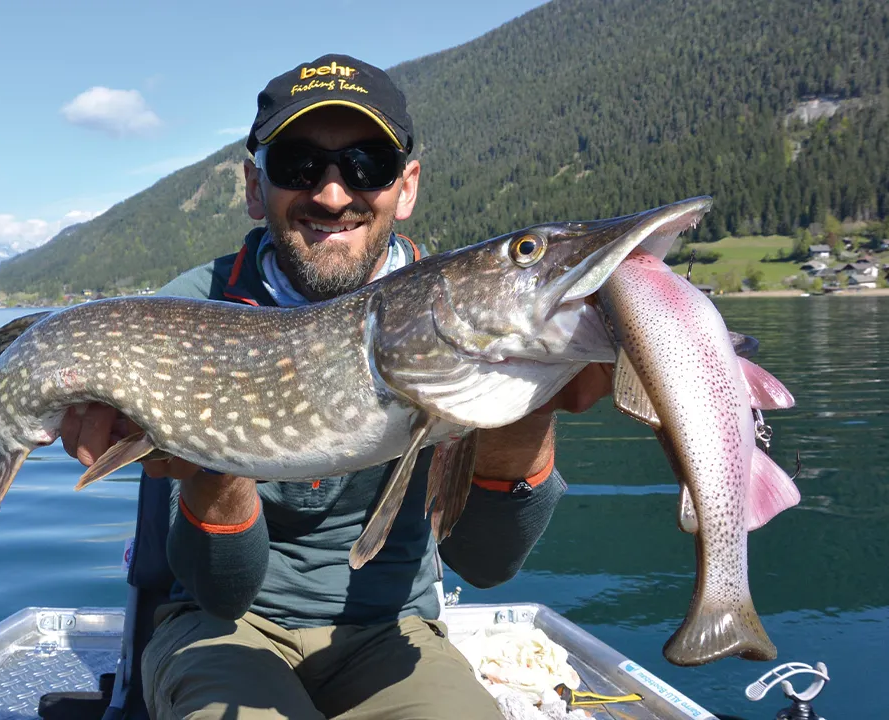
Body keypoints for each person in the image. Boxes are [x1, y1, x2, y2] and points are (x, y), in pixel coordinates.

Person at [61, 53, 612, 720]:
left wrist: (529, 411)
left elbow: (487, 563)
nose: (331, 194)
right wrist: (213, 467)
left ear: (406, 187)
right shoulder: (185, 315)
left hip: (392, 630)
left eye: (366, 166)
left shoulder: (464, 311)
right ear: (255, 187)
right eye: (299, 165)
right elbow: (217, 592)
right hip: (221, 628)